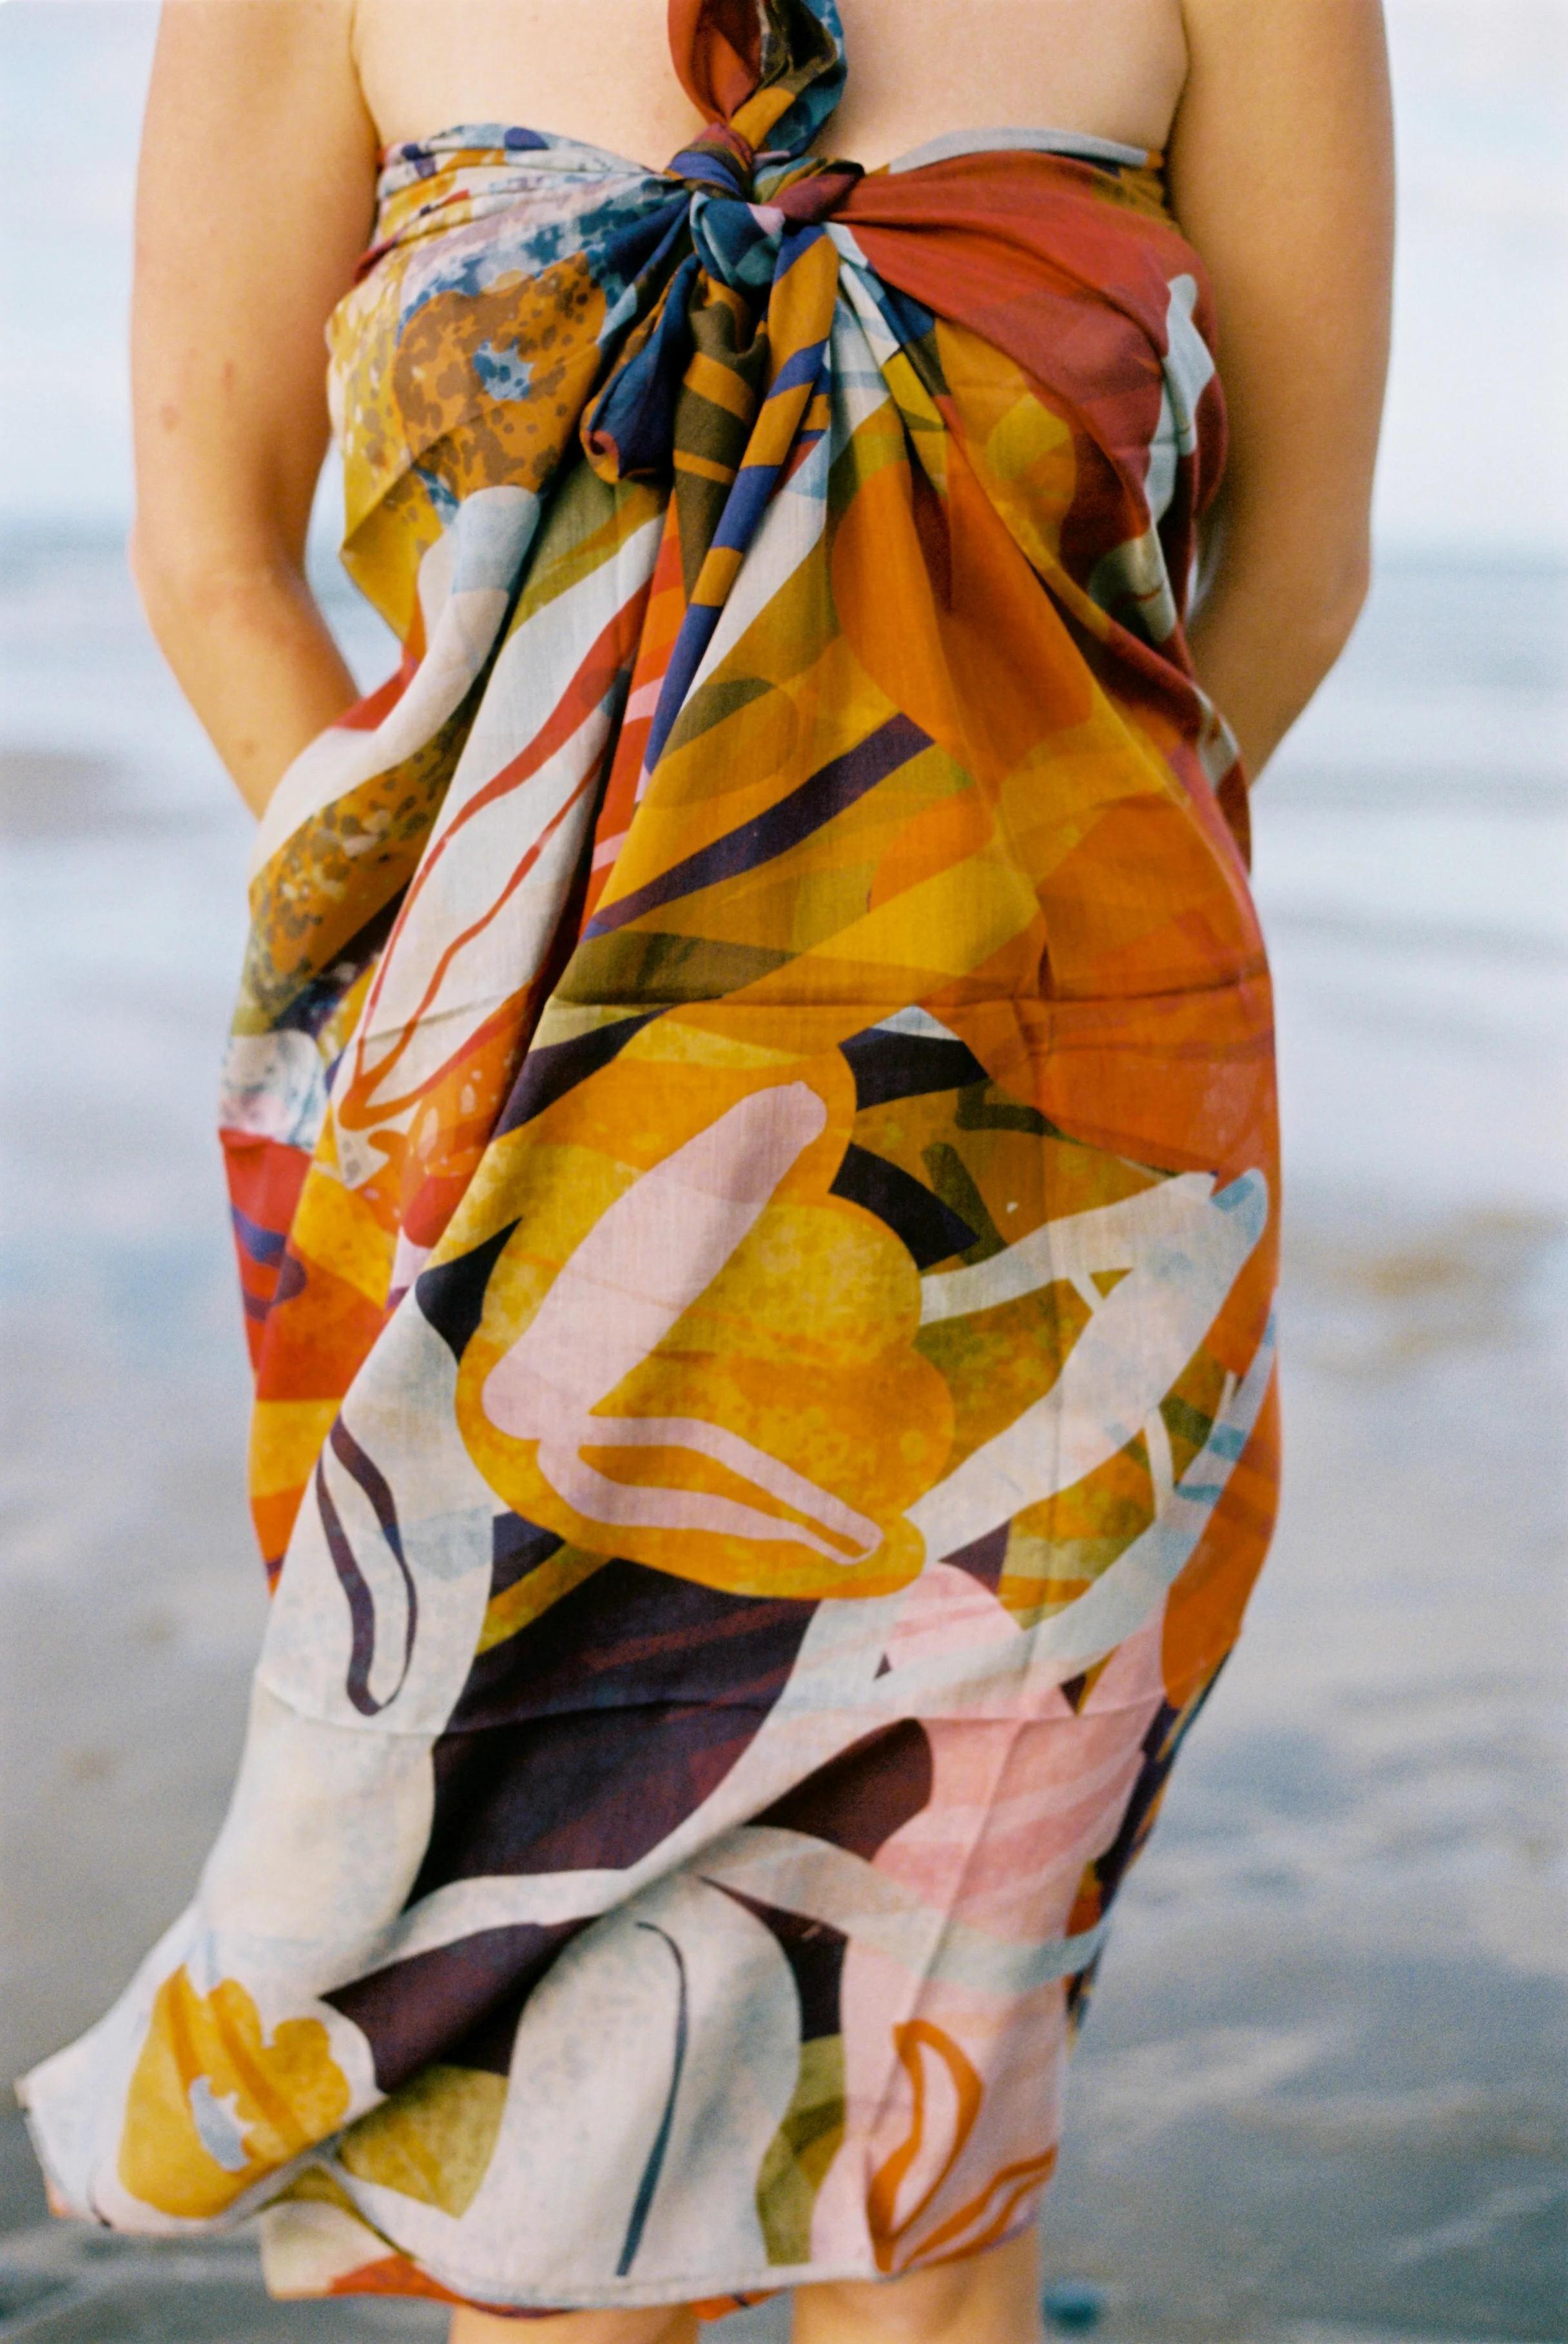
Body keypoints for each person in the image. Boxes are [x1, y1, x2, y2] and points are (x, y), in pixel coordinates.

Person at [17, 5, 1393, 2342]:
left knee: (926, 2162)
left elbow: (1297, 569)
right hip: (486, 1183)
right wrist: (438, 1012)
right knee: (540, 2170)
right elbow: (209, 551)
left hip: (1042, 1207)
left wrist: (1056, 972)